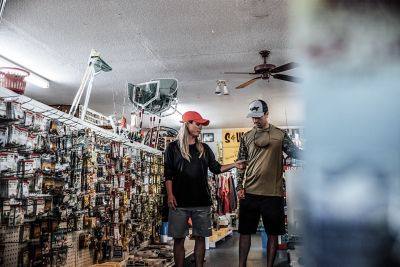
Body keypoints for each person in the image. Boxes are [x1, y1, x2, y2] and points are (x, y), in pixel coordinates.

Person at [164, 111, 244, 267]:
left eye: (202, 125)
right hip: (179, 202)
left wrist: (234, 164)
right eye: (198, 124)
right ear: (187, 124)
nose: (200, 128)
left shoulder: (204, 148)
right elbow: (168, 174)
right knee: (179, 239)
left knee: (200, 238)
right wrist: (170, 195)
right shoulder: (172, 148)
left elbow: (216, 168)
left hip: (202, 202)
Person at [236, 99, 302, 267]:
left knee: (273, 234)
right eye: (252, 117)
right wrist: (239, 186)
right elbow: (240, 163)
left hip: (273, 194)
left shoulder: (280, 135)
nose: (255, 120)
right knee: (245, 233)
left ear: (266, 114)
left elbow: (296, 153)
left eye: (258, 116)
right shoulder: (246, 137)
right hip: (250, 192)